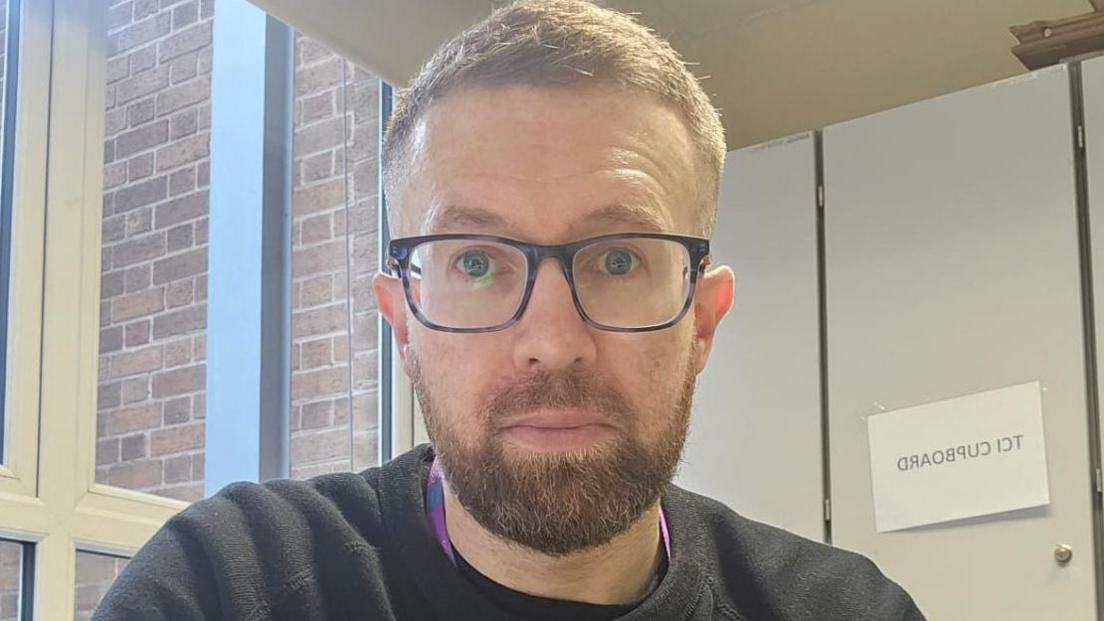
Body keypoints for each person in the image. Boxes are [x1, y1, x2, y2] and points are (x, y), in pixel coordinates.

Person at [94, 1, 924, 619]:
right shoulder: (226, 586)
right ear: (403, 322)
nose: (553, 343)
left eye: (619, 258)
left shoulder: (846, 609)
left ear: (702, 319)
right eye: (480, 261)